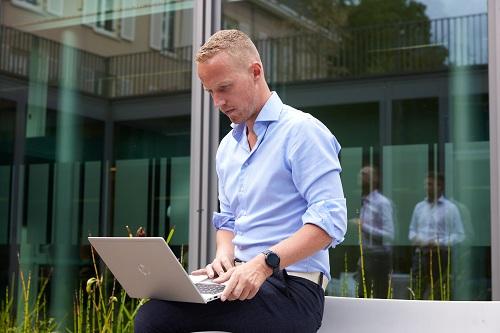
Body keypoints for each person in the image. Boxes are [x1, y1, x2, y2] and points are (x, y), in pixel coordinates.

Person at [134, 29, 347, 332]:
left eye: (224, 88)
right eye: (210, 92)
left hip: (292, 290)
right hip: (239, 281)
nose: (218, 101)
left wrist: (263, 264)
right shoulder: (227, 147)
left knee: (157, 318)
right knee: (156, 311)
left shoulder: (303, 132)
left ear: (255, 72)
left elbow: (330, 222)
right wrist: (224, 257)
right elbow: (229, 221)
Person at [408, 172, 465, 300]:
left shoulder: (451, 208)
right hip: (421, 255)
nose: (426, 187)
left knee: (440, 291)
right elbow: (411, 231)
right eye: (425, 184)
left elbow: (460, 235)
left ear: (440, 186)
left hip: (441, 256)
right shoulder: (419, 207)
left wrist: (441, 243)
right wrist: (419, 240)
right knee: (417, 290)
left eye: (429, 184)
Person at [355, 165, 395, 298]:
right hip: (366, 256)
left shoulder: (382, 203)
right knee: (362, 295)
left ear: (375, 179)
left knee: (379, 297)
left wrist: (364, 227)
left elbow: (390, 235)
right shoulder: (364, 202)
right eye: (360, 174)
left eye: (365, 175)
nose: (360, 177)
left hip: (379, 258)